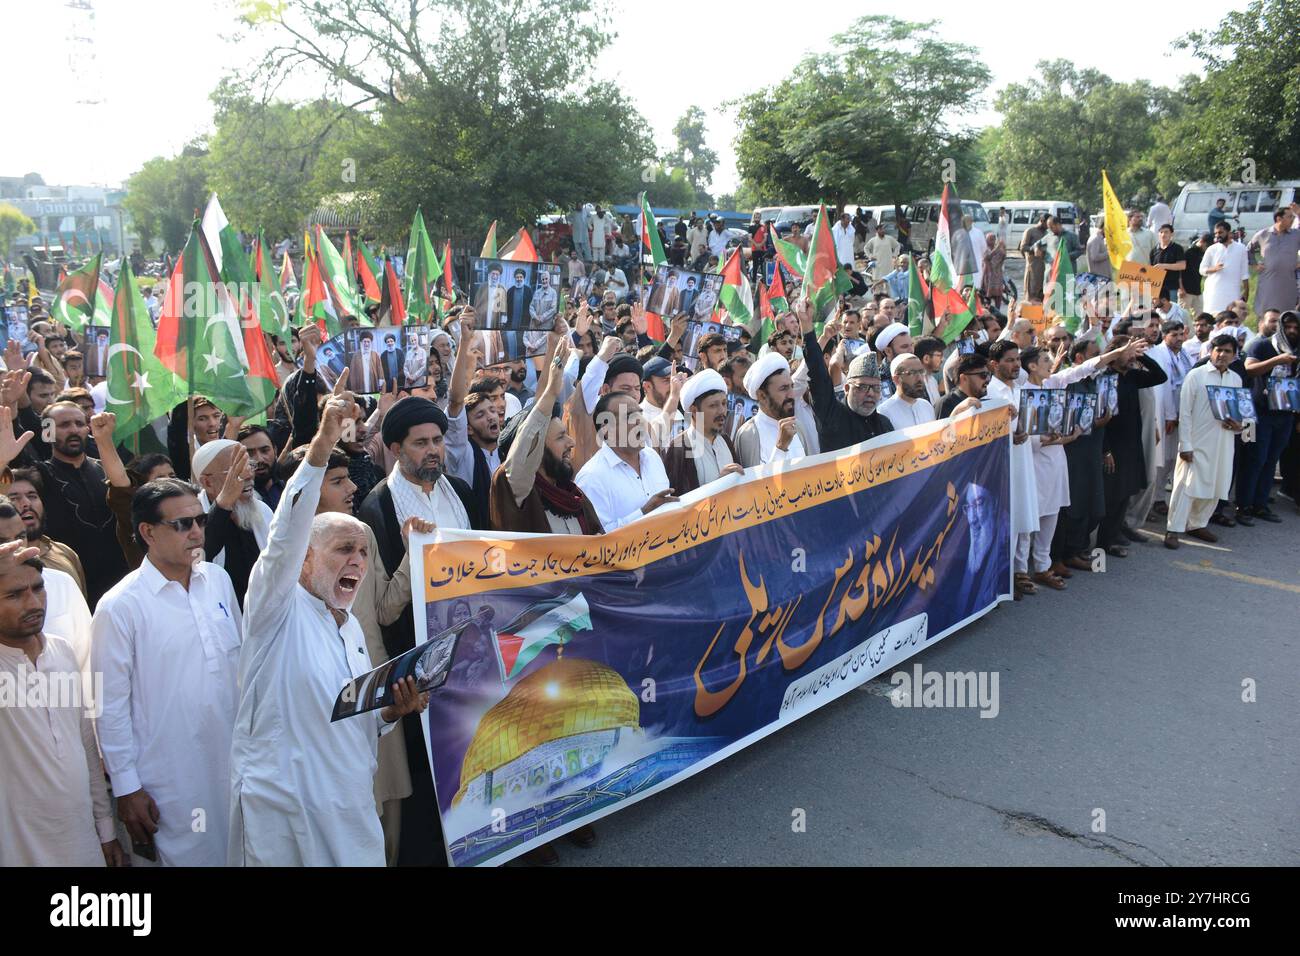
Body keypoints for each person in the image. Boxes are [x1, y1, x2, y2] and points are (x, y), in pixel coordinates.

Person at [229, 396, 429, 866]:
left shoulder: (351, 631)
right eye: (343, 549)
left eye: (362, 553)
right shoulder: (274, 608)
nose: (356, 562)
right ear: (304, 559)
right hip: (287, 814)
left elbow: (356, 723)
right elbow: (285, 533)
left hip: (350, 807)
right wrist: (322, 442)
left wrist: (390, 713)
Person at [91, 477, 242, 866]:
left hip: (234, 769)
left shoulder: (219, 581)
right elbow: (109, 706)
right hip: (170, 783)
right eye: (182, 525)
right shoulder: (120, 606)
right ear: (147, 532)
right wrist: (127, 788)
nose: (196, 533)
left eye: (201, 521)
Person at [358, 395, 482, 866]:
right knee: (427, 765)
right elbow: (385, 605)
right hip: (418, 662)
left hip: (470, 646)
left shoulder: (461, 493)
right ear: (394, 449)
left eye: (437, 441)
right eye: (420, 443)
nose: (433, 451)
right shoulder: (378, 510)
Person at [0, 542, 123, 866]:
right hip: (17, 848)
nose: (33, 602)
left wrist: (106, 829)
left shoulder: (62, 651)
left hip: (81, 843)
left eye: (38, 589)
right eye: (14, 595)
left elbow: (85, 742)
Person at [492, 341, 604, 535]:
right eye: (561, 437)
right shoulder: (516, 493)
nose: (572, 443)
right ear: (535, 449)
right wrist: (551, 391)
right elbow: (523, 450)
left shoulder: (574, 497)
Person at [23, 401, 127, 607]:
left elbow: (124, 493)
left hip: (119, 583)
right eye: (64, 425)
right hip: (69, 584)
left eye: (79, 423)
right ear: (48, 431)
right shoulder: (40, 475)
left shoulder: (106, 468)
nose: (73, 430)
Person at [1164, 334, 1244, 548]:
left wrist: (1239, 427)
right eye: (1219, 350)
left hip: (1224, 442)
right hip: (1197, 441)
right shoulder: (1196, 375)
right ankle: (1174, 528)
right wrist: (1186, 445)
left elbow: (1241, 413)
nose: (1222, 354)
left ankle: (1197, 524)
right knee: (1186, 486)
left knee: (1217, 484)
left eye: (1228, 351)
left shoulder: (1235, 379)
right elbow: (1186, 413)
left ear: (1234, 355)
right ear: (1211, 351)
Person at [574, 392, 677, 529]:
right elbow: (598, 537)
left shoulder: (652, 457)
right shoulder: (591, 477)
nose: (639, 420)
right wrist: (643, 512)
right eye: (629, 416)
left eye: (640, 413)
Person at [193, 439, 272, 609]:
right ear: (207, 482)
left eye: (249, 465)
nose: (249, 475)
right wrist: (224, 503)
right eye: (236, 470)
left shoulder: (263, 511)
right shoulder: (193, 518)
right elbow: (197, 559)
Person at [1237, 310, 1299, 521]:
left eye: (1296, 328)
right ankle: (1243, 506)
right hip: (1257, 412)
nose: (1291, 331)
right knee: (1255, 459)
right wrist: (1277, 360)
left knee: (1271, 460)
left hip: (1285, 413)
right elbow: (1249, 369)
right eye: (1288, 326)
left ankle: (1260, 505)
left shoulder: (1297, 349)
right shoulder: (1262, 345)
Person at [661, 369, 744, 494]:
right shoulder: (680, 447)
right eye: (713, 405)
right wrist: (718, 485)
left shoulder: (725, 440)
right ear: (694, 410)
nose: (722, 411)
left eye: (724, 403)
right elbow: (678, 503)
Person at [5, 468, 86, 595]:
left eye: (32, 496)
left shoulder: (65, 553)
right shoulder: (3, 563)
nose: (26, 503)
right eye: (14, 498)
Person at [1248, 206, 1300, 316]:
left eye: (1293, 217)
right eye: (1289, 217)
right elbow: (1248, 250)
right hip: (1268, 281)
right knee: (1265, 312)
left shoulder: (1296, 235)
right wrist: (1254, 264)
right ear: (1279, 219)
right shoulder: (1263, 234)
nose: (1292, 219)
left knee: (1287, 313)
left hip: (1288, 280)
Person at [1200, 221, 1249, 315]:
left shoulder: (1241, 248)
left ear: (1229, 233)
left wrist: (1246, 291)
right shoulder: (1212, 249)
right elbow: (1202, 269)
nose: (1218, 235)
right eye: (1216, 233)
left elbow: (1244, 272)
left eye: (1220, 232)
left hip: (1233, 291)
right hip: (1214, 292)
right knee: (1213, 318)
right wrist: (1213, 269)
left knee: (1232, 317)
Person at [877, 353, 936, 429]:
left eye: (921, 372)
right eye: (912, 373)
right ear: (896, 379)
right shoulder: (884, 412)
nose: (919, 378)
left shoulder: (926, 406)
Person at [238, 423, 284, 510]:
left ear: (275, 450)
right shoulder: (236, 500)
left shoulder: (288, 489)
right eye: (250, 453)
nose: (259, 459)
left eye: (265, 450)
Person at [1149, 224, 1186, 304]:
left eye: (1166, 232)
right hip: (1157, 287)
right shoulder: (1154, 250)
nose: (1163, 234)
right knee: (1157, 310)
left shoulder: (1177, 248)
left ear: (1171, 234)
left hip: (1172, 287)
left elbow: (1182, 265)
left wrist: (1163, 266)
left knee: (1171, 309)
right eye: (1161, 232)